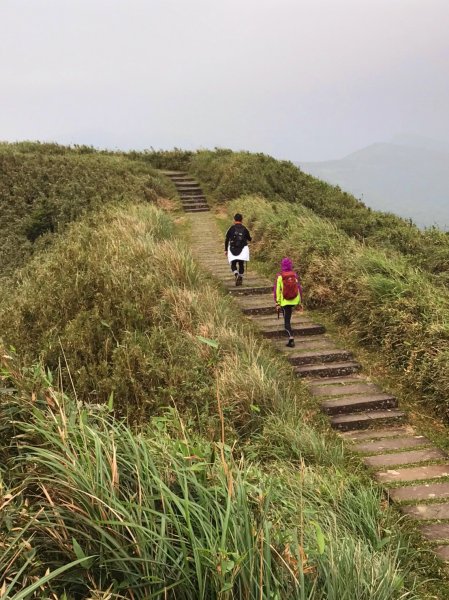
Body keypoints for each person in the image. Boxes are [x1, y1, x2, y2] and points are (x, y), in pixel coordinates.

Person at [274, 257, 303, 347]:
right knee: (288, 318)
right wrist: (300, 301)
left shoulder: (280, 276)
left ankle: (291, 339)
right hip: (294, 299)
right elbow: (299, 288)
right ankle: (290, 338)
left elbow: (277, 291)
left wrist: (277, 302)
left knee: (286, 322)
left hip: (285, 301)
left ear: (282, 265)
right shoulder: (294, 275)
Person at [224, 213, 252, 286]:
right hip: (242, 249)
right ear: (242, 220)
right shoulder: (244, 229)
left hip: (232, 249)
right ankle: (240, 277)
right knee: (241, 264)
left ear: (234, 220)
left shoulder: (231, 228)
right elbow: (249, 238)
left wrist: (225, 250)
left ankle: (236, 274)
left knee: (233, 264)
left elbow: (227, 239)